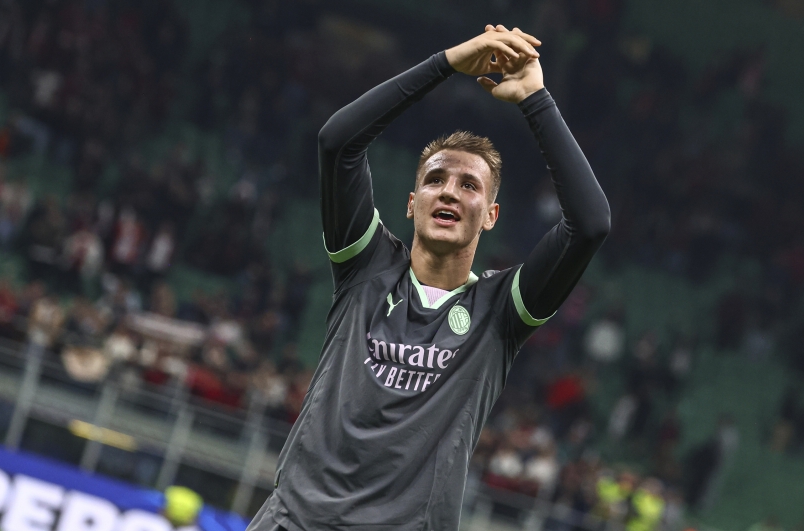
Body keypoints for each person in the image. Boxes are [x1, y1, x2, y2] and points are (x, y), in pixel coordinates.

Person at [249, 24, 610, 530]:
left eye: (469, 185)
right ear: (412, 202)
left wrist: (535, 99)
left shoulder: (502, 309)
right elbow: (338, 142)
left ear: (491, 215)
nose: (449, 192)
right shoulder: (365, 266)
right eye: (435, 179)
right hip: (296, 521)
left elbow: (590, 223)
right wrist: (446, 64)